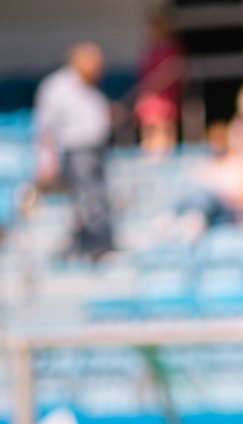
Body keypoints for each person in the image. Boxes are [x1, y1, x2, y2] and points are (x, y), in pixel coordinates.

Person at [33, 42, 115, 260]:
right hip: (76, 151)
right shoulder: (56, 87)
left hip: (97, 150)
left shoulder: (91, 88)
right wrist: (46, 160)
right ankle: (95, 243)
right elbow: (45, 127)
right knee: (90, 197)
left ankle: (95, 240)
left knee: (99, 196)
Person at [135, 8, 184, 156]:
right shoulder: (150, 48)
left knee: (163, 126)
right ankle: (150, 152)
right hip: (150, 94)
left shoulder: (172, 48)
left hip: (164, 95)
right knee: (149, 125)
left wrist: (156, 84)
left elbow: (174, 71)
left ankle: (164, 154)